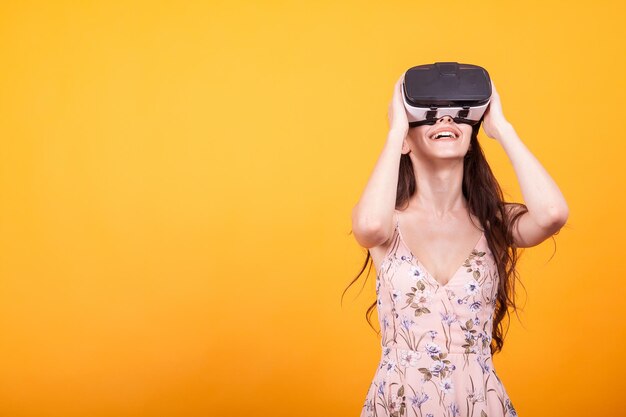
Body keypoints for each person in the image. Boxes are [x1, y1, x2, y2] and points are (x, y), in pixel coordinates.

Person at [347, 74, 569, 417]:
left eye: (457, 113)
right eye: (430, 113)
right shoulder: (387, 222)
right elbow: (368, 227)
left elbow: (553, 214)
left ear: (473, 134)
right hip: (400, 401)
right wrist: (395, 133)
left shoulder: (494, 220)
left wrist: (503, 128)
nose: (446, 118)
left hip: (479, 402)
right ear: (407, 137)